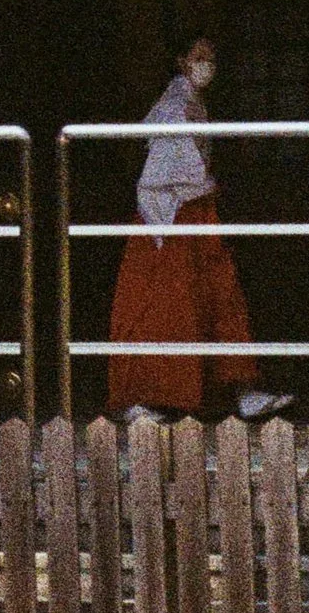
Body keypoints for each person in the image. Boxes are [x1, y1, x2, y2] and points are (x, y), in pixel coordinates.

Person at [105, 34, 284, 420]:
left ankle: (242, 388)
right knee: (163, 306)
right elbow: (161, 175)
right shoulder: (172, 108)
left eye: (212, 57)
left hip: (196, 210)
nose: (207, 65)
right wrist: (163, 224)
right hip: (171, 215)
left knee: (221, 298)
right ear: (183, 60)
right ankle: (139, 396)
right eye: (200, 56)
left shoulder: (193, 104)